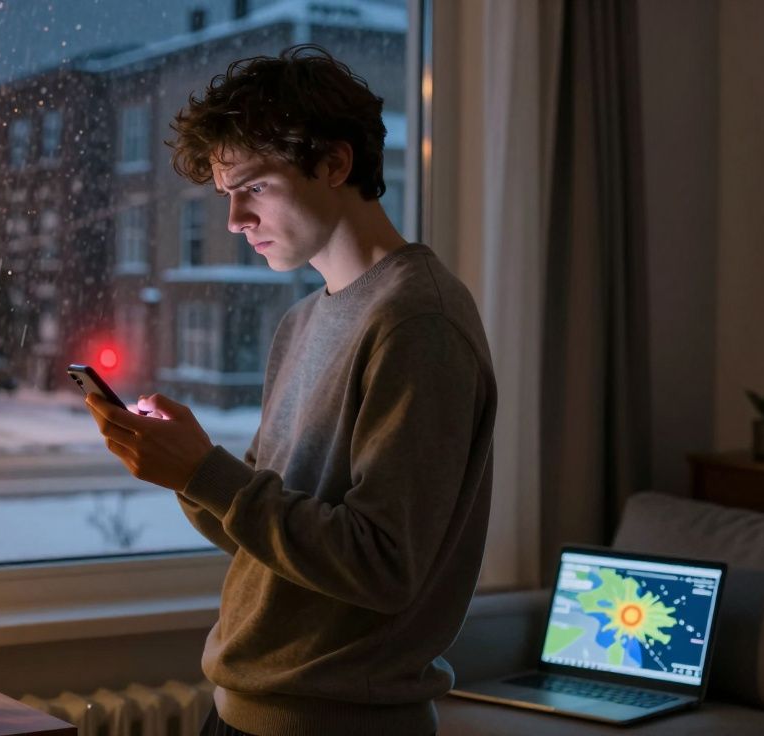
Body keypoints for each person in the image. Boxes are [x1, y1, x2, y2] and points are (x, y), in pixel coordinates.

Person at [84, 44, 496, 736]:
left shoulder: (419, 321)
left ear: (334, 163)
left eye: (254, 187)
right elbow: (268, 534)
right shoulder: (302, 320)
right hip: (239, 709)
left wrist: (205, 473)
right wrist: (186, 471)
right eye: (226, 195)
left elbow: (382, 565)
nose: (233, 221)